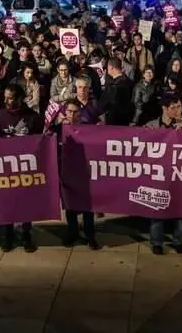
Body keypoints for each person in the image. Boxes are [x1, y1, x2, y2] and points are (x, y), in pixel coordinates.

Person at [0, 84, 43, 252]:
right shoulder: (1, 115)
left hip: (25, 170)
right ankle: (7, 236)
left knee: (25, 205)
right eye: (5, 97)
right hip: (6, 170)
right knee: (6, 203)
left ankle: (26, 236)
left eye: (10, 98)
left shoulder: (33, 117)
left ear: (19, 98)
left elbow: (39, 142)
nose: (6, 101)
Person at [146, 95, 182, 255]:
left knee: (179, 210)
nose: (179, 110)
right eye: (175, 107)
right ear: (164, 108)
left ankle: (178, 240)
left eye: (180, 107)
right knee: (157, 208)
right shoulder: (152, 125)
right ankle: (157, 241)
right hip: (158, 175)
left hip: (179, 174)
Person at [61, 98, 100, 250]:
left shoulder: (87, 128)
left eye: (75, 112)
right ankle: (73, 233)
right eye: (69, 111)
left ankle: (90, 236)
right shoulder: (60, 129)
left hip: (85, 173)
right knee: (70, 208)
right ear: (65, 112)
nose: (72, 115)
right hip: (67, 173)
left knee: (87, 208)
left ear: (80, 113)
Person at [100, 57, 133, 126]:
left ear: (111, 67)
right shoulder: (129, 81)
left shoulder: (113, 86)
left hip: (114, 123)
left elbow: (105, 104)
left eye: (107, 67)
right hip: (125, 121)